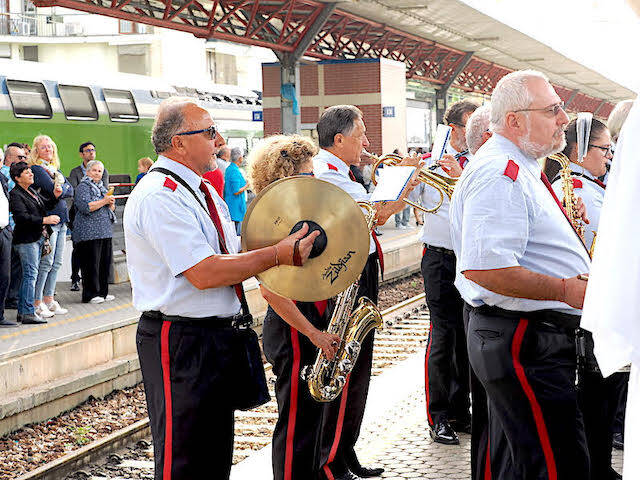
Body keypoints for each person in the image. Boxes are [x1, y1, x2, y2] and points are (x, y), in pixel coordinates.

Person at [123, 97, 319, 480]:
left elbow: (231, 254)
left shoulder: (199, 189)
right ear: (179, 142)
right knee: (184, 458)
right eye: (210, 132)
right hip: (180, 337)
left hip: (210, 336)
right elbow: (204, 272)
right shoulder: (160, 194)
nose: (219, 140)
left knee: (213, 455)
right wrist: (277, 254)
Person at [450, 69, 591, 480]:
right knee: (556, 465)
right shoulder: (500, 172)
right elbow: (485, 267)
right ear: (514, 120)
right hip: (524, 340)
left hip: (529, 337)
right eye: (553, 110)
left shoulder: (519, 163)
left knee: (521, 463)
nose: (564, 118)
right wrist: (566, 288)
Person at [313, 104, 420, 480]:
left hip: (361, 269)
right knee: (347, 366)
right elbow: (381, 213)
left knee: (358, 368)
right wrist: (408, 178)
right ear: (338, 139)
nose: (368, 144)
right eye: (361, 136)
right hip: (349, 275)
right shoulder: (329, 174)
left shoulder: (344, 171)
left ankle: (345, 450)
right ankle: (331, 459)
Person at [248, 134, 342, 480]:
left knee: (313, 418)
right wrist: (315, 334)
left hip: (310, 318)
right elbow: (272, 293)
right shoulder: (267, 219)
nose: (315, 181)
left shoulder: (303, 213)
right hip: (293, 327)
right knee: (296, 424)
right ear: (285, 177)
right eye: (308, 174)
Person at [548, 117, 623, 480]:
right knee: (598, 398)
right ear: (579, 150)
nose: (608, 157)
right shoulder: (578, 187)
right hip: (591, 306)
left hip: (597, 303)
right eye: (603, 149)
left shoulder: (590, 185)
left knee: (603, 397)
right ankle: (597, 467)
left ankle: (600, 464)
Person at [420, 99, 477, 446]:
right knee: (443, 336)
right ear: (453, 128)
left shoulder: (477, 164)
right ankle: (438, 415)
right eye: (469, 127)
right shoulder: (430, 163)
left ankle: (461, 411)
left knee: (467, 335)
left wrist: (462, 175)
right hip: (440, 258)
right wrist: (411, 175)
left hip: (469, 257)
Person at [9, 162, 61, 325]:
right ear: (17, 178)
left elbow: (45, 205)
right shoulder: (16, 194)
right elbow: (21, 218)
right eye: (26, 172)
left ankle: (24, 311)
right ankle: (27, 312)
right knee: (30, 275)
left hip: (36, 238)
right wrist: (45, 220)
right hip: (26, 240)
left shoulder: (30, 191)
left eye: (30, 171)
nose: (31, 174)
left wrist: (55, 195)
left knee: (29, 275)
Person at [28, 135, 73, 317]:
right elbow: (51, 191)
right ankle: (37, 302)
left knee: (57, 262)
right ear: (36, 151)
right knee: (46, 262)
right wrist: (60, 191)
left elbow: (70, 189)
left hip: (62, 220)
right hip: (49, 219)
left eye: (50, 147)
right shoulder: (37, 170)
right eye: (44, 147)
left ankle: (49, 299)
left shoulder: (56, 170)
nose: (48, 150)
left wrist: (61, 190)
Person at [73, 160, 116, 304]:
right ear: (87, 171)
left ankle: (103, 292)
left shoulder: (102, 187)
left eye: (100, 171)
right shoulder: (83, 187)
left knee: (104, 263)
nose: (97, 173)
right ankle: (90, 294)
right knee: (91, 265)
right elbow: (85, 207)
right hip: (89, 232)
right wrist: (104, 201)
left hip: (104, 230)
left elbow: (108, 209)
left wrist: (111, 204)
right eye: (94, 170)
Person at [68, 142, 110, 292]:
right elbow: (75, 193)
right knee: (79, 251)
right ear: (81, 154)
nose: (91, 152)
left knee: (99, 258)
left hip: (100, 221)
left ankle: (99, 289)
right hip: (81, 216)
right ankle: (75, 278)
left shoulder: (102, 171)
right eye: (88, 150)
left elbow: (104, 191)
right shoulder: (76, 173)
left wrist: (106, 202)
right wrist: (97, 200)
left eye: (93, 149)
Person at [2, 143, 27, 309]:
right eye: (20, 157)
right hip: (9, 226)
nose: (23, 160)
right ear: (8, 158)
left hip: (14, 226)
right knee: (9, 266)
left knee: (15, 265)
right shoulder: (6, 175)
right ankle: (10, 299)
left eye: (25, 157)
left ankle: (11, 298)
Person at [223, 147, 249, 235]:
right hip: (235, 206)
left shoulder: (230, 168)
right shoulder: (234, 171)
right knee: (236, 232)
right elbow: (236, 191)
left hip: (232, 204)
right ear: (240, 158)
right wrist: (247, 185)